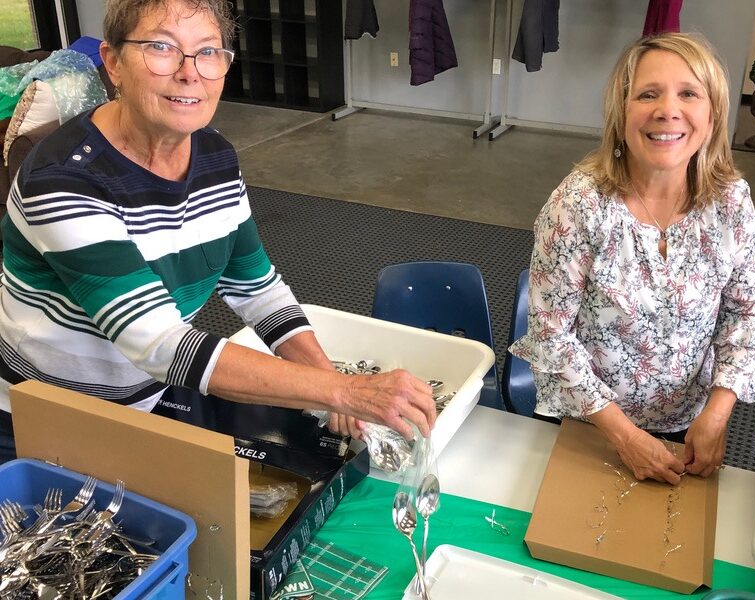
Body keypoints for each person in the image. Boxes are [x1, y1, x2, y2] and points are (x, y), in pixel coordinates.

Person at [0, 0, 435, 464]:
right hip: (40, 416)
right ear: (113, 63)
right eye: (161, 48)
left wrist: (331, 388)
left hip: (149, 398)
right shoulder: (65, 179)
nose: (190, 73)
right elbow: (160, 344)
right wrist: (346, 391)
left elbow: (256, 288)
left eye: (208, 52)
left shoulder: (214, 156)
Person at [510, 32, 755, 484]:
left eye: (689, 93)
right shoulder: (578, 205)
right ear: (621, 114)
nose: (668, 110)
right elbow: (551, 337)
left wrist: (718, 411)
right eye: (648, 94)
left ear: (712, 116)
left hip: (690, 422)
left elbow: (745, 314)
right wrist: (625, 437)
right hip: (592, 421)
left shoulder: (730, 202)